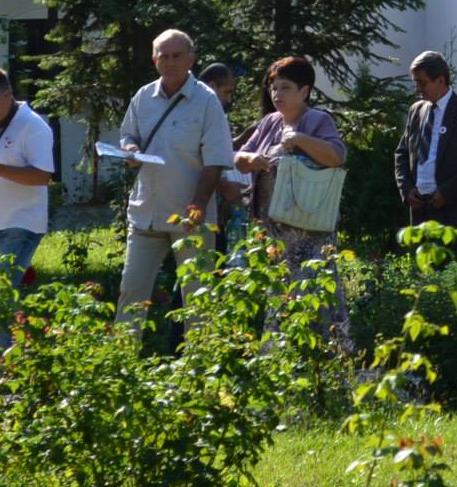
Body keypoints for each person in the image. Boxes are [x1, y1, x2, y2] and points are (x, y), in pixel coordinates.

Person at [115, 29, 236, 333]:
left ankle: (200, 370)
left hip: (189, 216)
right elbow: (128, 134)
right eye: (163, 56)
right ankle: (120, 365)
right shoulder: (143, 96)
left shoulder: (207, 102)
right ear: (155, 59)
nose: (169, 62)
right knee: (131, 294)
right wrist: (129, 148)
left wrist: (198, 204)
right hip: (146, 214)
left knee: (198, 298)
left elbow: (216, 160)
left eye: (176, 56)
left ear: (191, 59)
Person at [232, 56, 349, 335]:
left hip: (310, 230)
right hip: (275, 230)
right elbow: (238, 158)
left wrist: (298, 140)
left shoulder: (318, 120)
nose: (277, 94)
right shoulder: (270, 122)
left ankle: (326, 358)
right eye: (274, 88)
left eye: (285, 87)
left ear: (304, 91)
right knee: (280, 291)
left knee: (314, 289)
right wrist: (253, 158)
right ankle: (281, 359)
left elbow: (336, 156)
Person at [0, 67, 54, 343]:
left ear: (8, 94)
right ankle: (16, 355)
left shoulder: (33, 125)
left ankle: (4, 371)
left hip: (20, 223)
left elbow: (43, 176)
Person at [392, 51, 457, 244]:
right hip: (421, 208)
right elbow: (402, 153)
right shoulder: (416, 110)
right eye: (415, 82)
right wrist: (406, 189)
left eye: (422, 82)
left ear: (441, 80)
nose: (417, 89)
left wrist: (447, 192)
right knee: (426, 271)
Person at [198, 63, 248, 254]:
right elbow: (197, 158)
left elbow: (220, 150)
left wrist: (246, 136)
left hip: (215, 209)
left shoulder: (213, 112)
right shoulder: (199, 112)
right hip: (200, 207)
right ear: (212, 86)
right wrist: (224, 185)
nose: (229, 99)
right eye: (227, 91)